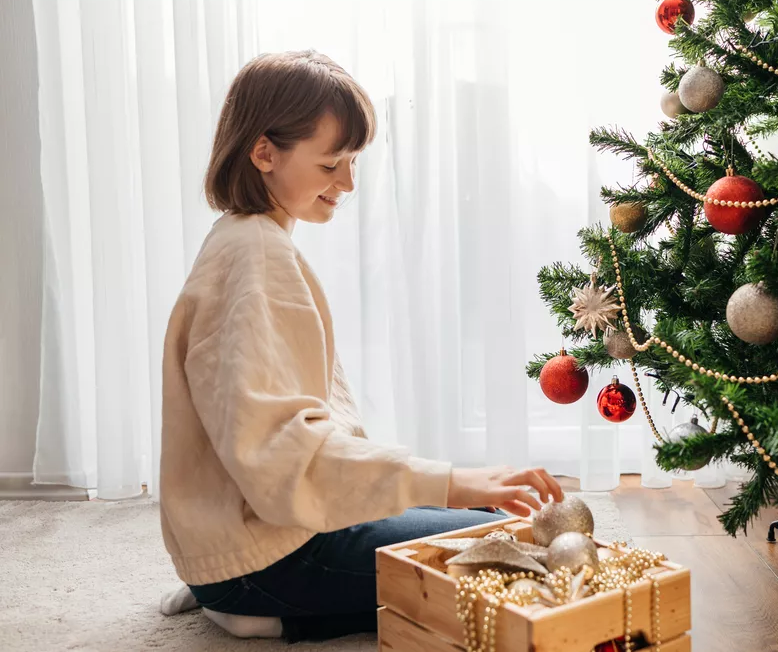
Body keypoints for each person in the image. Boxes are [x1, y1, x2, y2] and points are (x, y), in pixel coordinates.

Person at [157, 50, 564, 643]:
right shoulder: (256, 257)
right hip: (268, 558)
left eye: (351, 162)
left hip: (241, 539)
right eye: (330, 165)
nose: (347, 183)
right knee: (511, 551)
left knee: (484, 523)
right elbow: (282, 457)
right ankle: (264, 611)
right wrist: (453, 479)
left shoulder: (242, 238)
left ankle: (223, 585)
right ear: (264, 152)